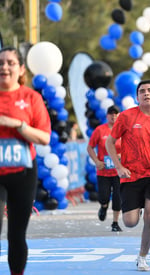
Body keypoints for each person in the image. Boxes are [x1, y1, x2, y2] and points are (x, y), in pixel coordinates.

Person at [105, 80, 150, 272]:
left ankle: (143, 257)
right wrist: (119, 166)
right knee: (130, 222)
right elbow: (110, 143)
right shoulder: (127, 117)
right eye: (142, 91)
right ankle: (141, 208)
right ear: (137, 97)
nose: (146, 93)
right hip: (131, 175)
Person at [0, 46, 51, 275]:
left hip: (23, 173)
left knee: (16, 234)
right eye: (0, 63)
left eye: (10, 62)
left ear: (20, 68)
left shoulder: (31, 98)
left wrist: (17, 125)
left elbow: (44, 138)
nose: (4, 67)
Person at [87, 105, 123, 232]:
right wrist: (96, 161)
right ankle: (103, 206)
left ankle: (115, 222)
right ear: (107, 116)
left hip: (119, 171)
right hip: (103, 170)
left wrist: (121, 155)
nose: (113, 116)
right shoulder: (100, 130)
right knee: (104, 196)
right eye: (110, 114)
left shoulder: (123, 130)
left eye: (115, 114)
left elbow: (131, 148)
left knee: (118, 197)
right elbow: (90, 147)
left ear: (119, 116)